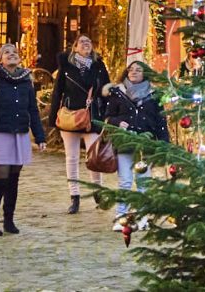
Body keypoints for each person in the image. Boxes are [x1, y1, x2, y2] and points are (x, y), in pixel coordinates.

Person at [0, 42, 47, 236]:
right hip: (0, 133)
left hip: (20, 133)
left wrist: (40, 136)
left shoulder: (26, 80)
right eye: (6, 52)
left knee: (13, 180)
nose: (11, 55)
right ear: (0, 59)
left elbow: (32, 109)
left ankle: (9, 220)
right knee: (0, 179)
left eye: (14, 52)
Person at [103, 60, 169, 232]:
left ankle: (142, 217)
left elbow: (161, 121)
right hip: (124, 142)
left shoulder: (154, 95)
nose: (133, 72)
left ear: (144, 74)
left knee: (143, 182)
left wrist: (164, 144)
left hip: (145, 143)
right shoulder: (118, 92)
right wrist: (118, 122)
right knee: (125, 181)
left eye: (138, 70)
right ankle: (120, 216)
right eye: (131, 69)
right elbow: (108, 117)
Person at [49, 34, 111, 214]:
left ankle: (98, 192)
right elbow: (57, 92)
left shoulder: (99, 66)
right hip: (70, 116)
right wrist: (54, 118)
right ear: (75, 47)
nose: (86, 44)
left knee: (94, 158)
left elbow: (107, 90)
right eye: (82, 42)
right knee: (72, 158)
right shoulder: (66, 66)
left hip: (92, 117)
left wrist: (107, 115)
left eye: (89, 41)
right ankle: (74, 197)